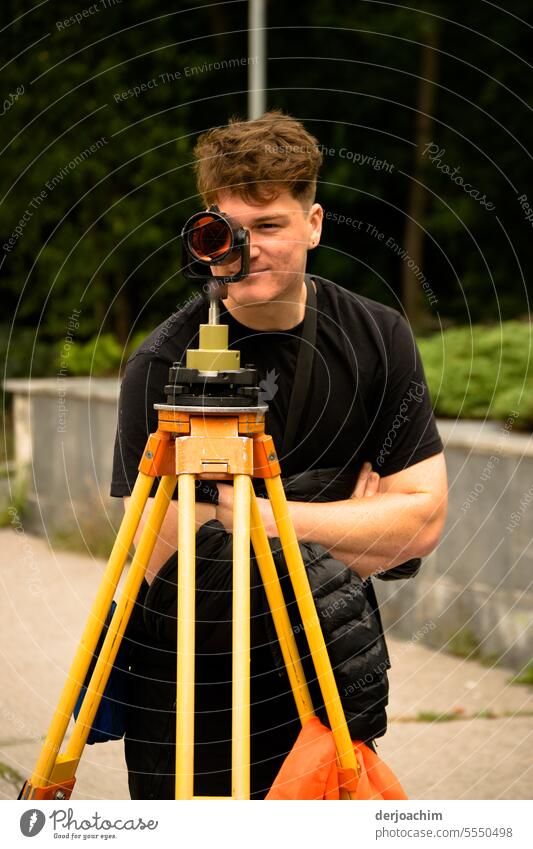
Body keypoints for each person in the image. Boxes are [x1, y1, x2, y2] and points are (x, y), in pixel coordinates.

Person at [110, 110, 448, 799]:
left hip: (327, 665)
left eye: (269, 227)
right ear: (206, 233)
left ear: (313, 223)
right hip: (189, 683)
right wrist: (347, 526)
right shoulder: (162, 363)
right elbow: (160, 556)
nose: (249, 249)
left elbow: (420, 525)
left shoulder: (377, 337)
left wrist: (256, 514)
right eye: (230, 231)